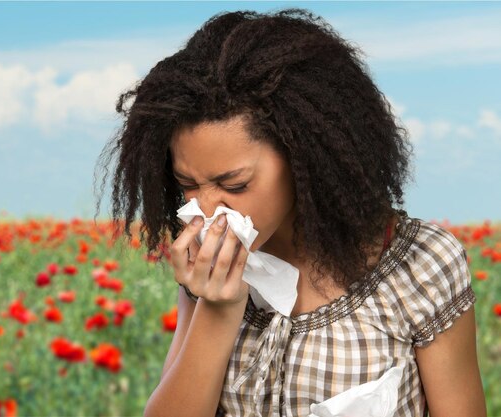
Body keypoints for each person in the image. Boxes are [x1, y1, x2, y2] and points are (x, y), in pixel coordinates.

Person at [94, 8, 486, 417]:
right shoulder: (209, 269)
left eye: (234, 185)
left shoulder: (420, 266)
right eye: (188, 184)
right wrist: (218, 309)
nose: (206, 210)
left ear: (306, 159)